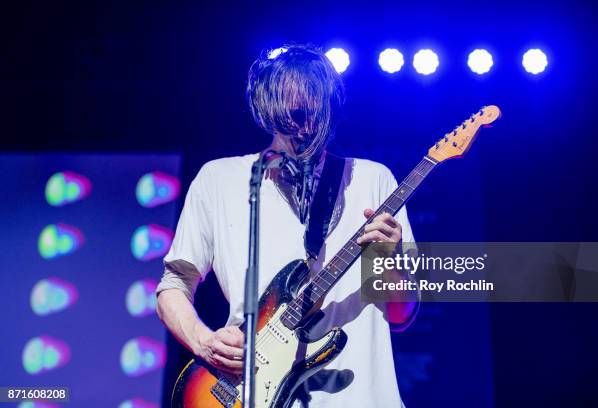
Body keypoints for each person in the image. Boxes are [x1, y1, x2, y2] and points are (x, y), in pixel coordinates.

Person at [156, 44, 417, 407]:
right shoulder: (219, 179)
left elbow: (402, 313)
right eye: (292, 105)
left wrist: (389, 261)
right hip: (251, 394)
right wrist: (203, 341)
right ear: (268, 106)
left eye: (313, 103)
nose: (303, 118)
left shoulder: (373, 179)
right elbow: (174, 283)